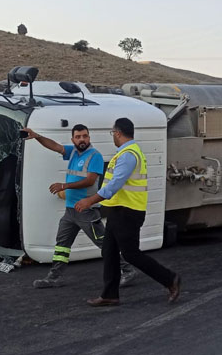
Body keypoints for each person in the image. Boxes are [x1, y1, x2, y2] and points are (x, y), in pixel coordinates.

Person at [75, 118, 181, 306]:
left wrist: (90, 200)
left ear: (117, 133)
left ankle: (170, 279)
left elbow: (115, 184)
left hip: (128, 211)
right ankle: (110, 295)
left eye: (112, 133)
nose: (113, 137)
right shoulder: (126, 152)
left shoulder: (128, 155)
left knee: (131, 254)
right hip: (119, 211)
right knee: (109, 252)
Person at [21, 125, 135, 288]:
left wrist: (64, 186)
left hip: (87, 211)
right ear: (73, 139)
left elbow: (90, 180)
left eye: (85, 136)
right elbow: (55, 146)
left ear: (89, 137)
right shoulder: (73, 152)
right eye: (78, 137)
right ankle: (54, 278)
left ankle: (128, 270)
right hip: (70, 212)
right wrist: (36, 136)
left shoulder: (94, 155)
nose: (82, 139)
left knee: (104, 243)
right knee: (62, 245)